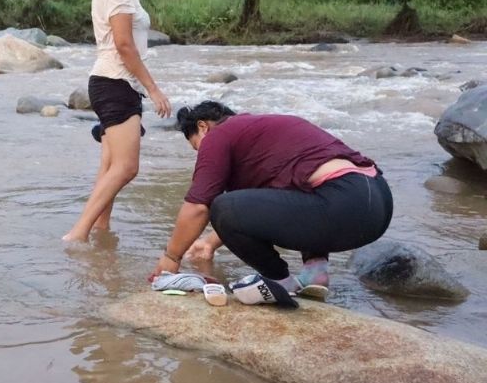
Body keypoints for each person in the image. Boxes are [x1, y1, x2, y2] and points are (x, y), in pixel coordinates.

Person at [150, 101, 393, 298]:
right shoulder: (263, 131)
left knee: (221, 206)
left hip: (342, 202)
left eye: (197, 147)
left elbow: (199, 206)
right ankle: (315, 272)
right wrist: (210, 243)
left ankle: (281, 281)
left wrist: (171, 257)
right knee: (301, 192)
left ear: (203, 127)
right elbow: (263, 213)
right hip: (376, 203)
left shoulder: (218, 135)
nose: (201, 155)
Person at [63, 0, 171, 242]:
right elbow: (124, 45)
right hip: (117, 83)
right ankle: (78, 233)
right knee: (126, 167)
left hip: (107, 81)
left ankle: (101, 228)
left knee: (110, 164)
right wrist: (153, 89)